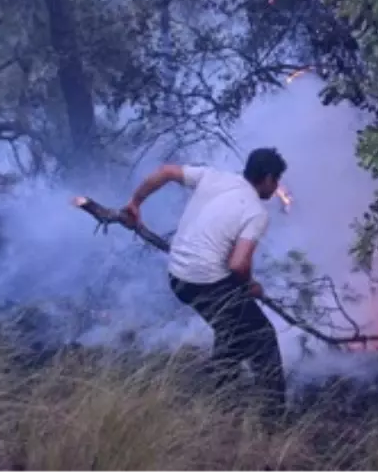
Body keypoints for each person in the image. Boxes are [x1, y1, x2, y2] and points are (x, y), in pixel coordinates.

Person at [121, 147, 288, 418]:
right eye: (276, 179)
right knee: (263, 338)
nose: (277, 186)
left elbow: (165, 171)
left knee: (231, 328)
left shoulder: (213, 176)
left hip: (177, 277)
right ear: (267, 177)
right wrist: (252, 286)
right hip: (206, 283)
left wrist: (135, 202)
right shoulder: (257, 212)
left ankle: (221, 396)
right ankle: (274, 420)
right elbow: (238, 265)